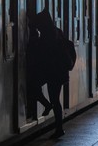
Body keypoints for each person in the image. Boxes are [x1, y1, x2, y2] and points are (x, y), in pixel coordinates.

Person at [32, 9, 70, 138]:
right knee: (55, 99)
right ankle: (57, 124)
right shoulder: (57, 32)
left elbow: (42, 54)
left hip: (52, 72)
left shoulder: (47, 36)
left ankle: (58, 127)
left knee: (37, 89)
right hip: (58, 73)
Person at [26, 23, 51, 119]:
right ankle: (39, 107)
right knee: (35, 90)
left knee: (33, 89)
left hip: (37, 72)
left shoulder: (35, 45)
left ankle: (40, 107)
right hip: (40, 72)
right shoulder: (41, 43)